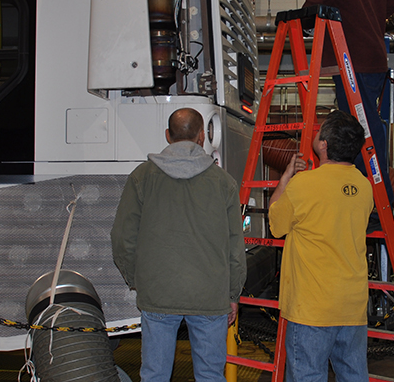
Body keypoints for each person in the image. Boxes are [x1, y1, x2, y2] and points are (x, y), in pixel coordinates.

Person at [110, 107, 246, 382]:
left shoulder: (142, 177)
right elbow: (235, 245)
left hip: (159, 292)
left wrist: (137, 278)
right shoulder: (224, 182)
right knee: (210, 375)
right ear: (200, 138)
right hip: (209, 293)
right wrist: (232, 294)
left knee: (155, 374)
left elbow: (122, 237)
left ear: (167, 136)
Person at [268, 110, 375, 382]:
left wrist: (286, 177)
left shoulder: (304, 184)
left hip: (311, 309)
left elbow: (276, 224)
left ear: (324, 145)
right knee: (353, 375)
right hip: (352, 307)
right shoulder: (363, 186)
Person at [303, 0, 394, 207]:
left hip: (350, 60)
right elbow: (391, 8)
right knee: (367, 126)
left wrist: (305, 22)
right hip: (376, 60)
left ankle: (375, 202)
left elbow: (314, 4)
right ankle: (372, 198)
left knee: (360, 131)